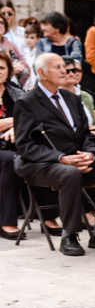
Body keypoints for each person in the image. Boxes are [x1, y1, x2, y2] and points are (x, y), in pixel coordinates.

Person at [14, 53, 95, 256]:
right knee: (70, 173)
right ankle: (69, 235)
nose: (64, 71)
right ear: (41, 73)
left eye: (65, 67)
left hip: (75, 159)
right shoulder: (27, 102)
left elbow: (86, 135)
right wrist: (60, 158)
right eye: (58, 67)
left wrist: (90, 154)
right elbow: (25, 146)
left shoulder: (72, 98)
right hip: (40, 163)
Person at [0, 51, 26, 240]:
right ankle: (7, 221)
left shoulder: (17, 92)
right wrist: (12, 121)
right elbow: (19, 119)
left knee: (39, 153)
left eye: (1, 67)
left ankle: (47, 216)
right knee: (11, 160)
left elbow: (30, 119)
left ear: (8, 70)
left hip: (15, 142)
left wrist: (17, 129)